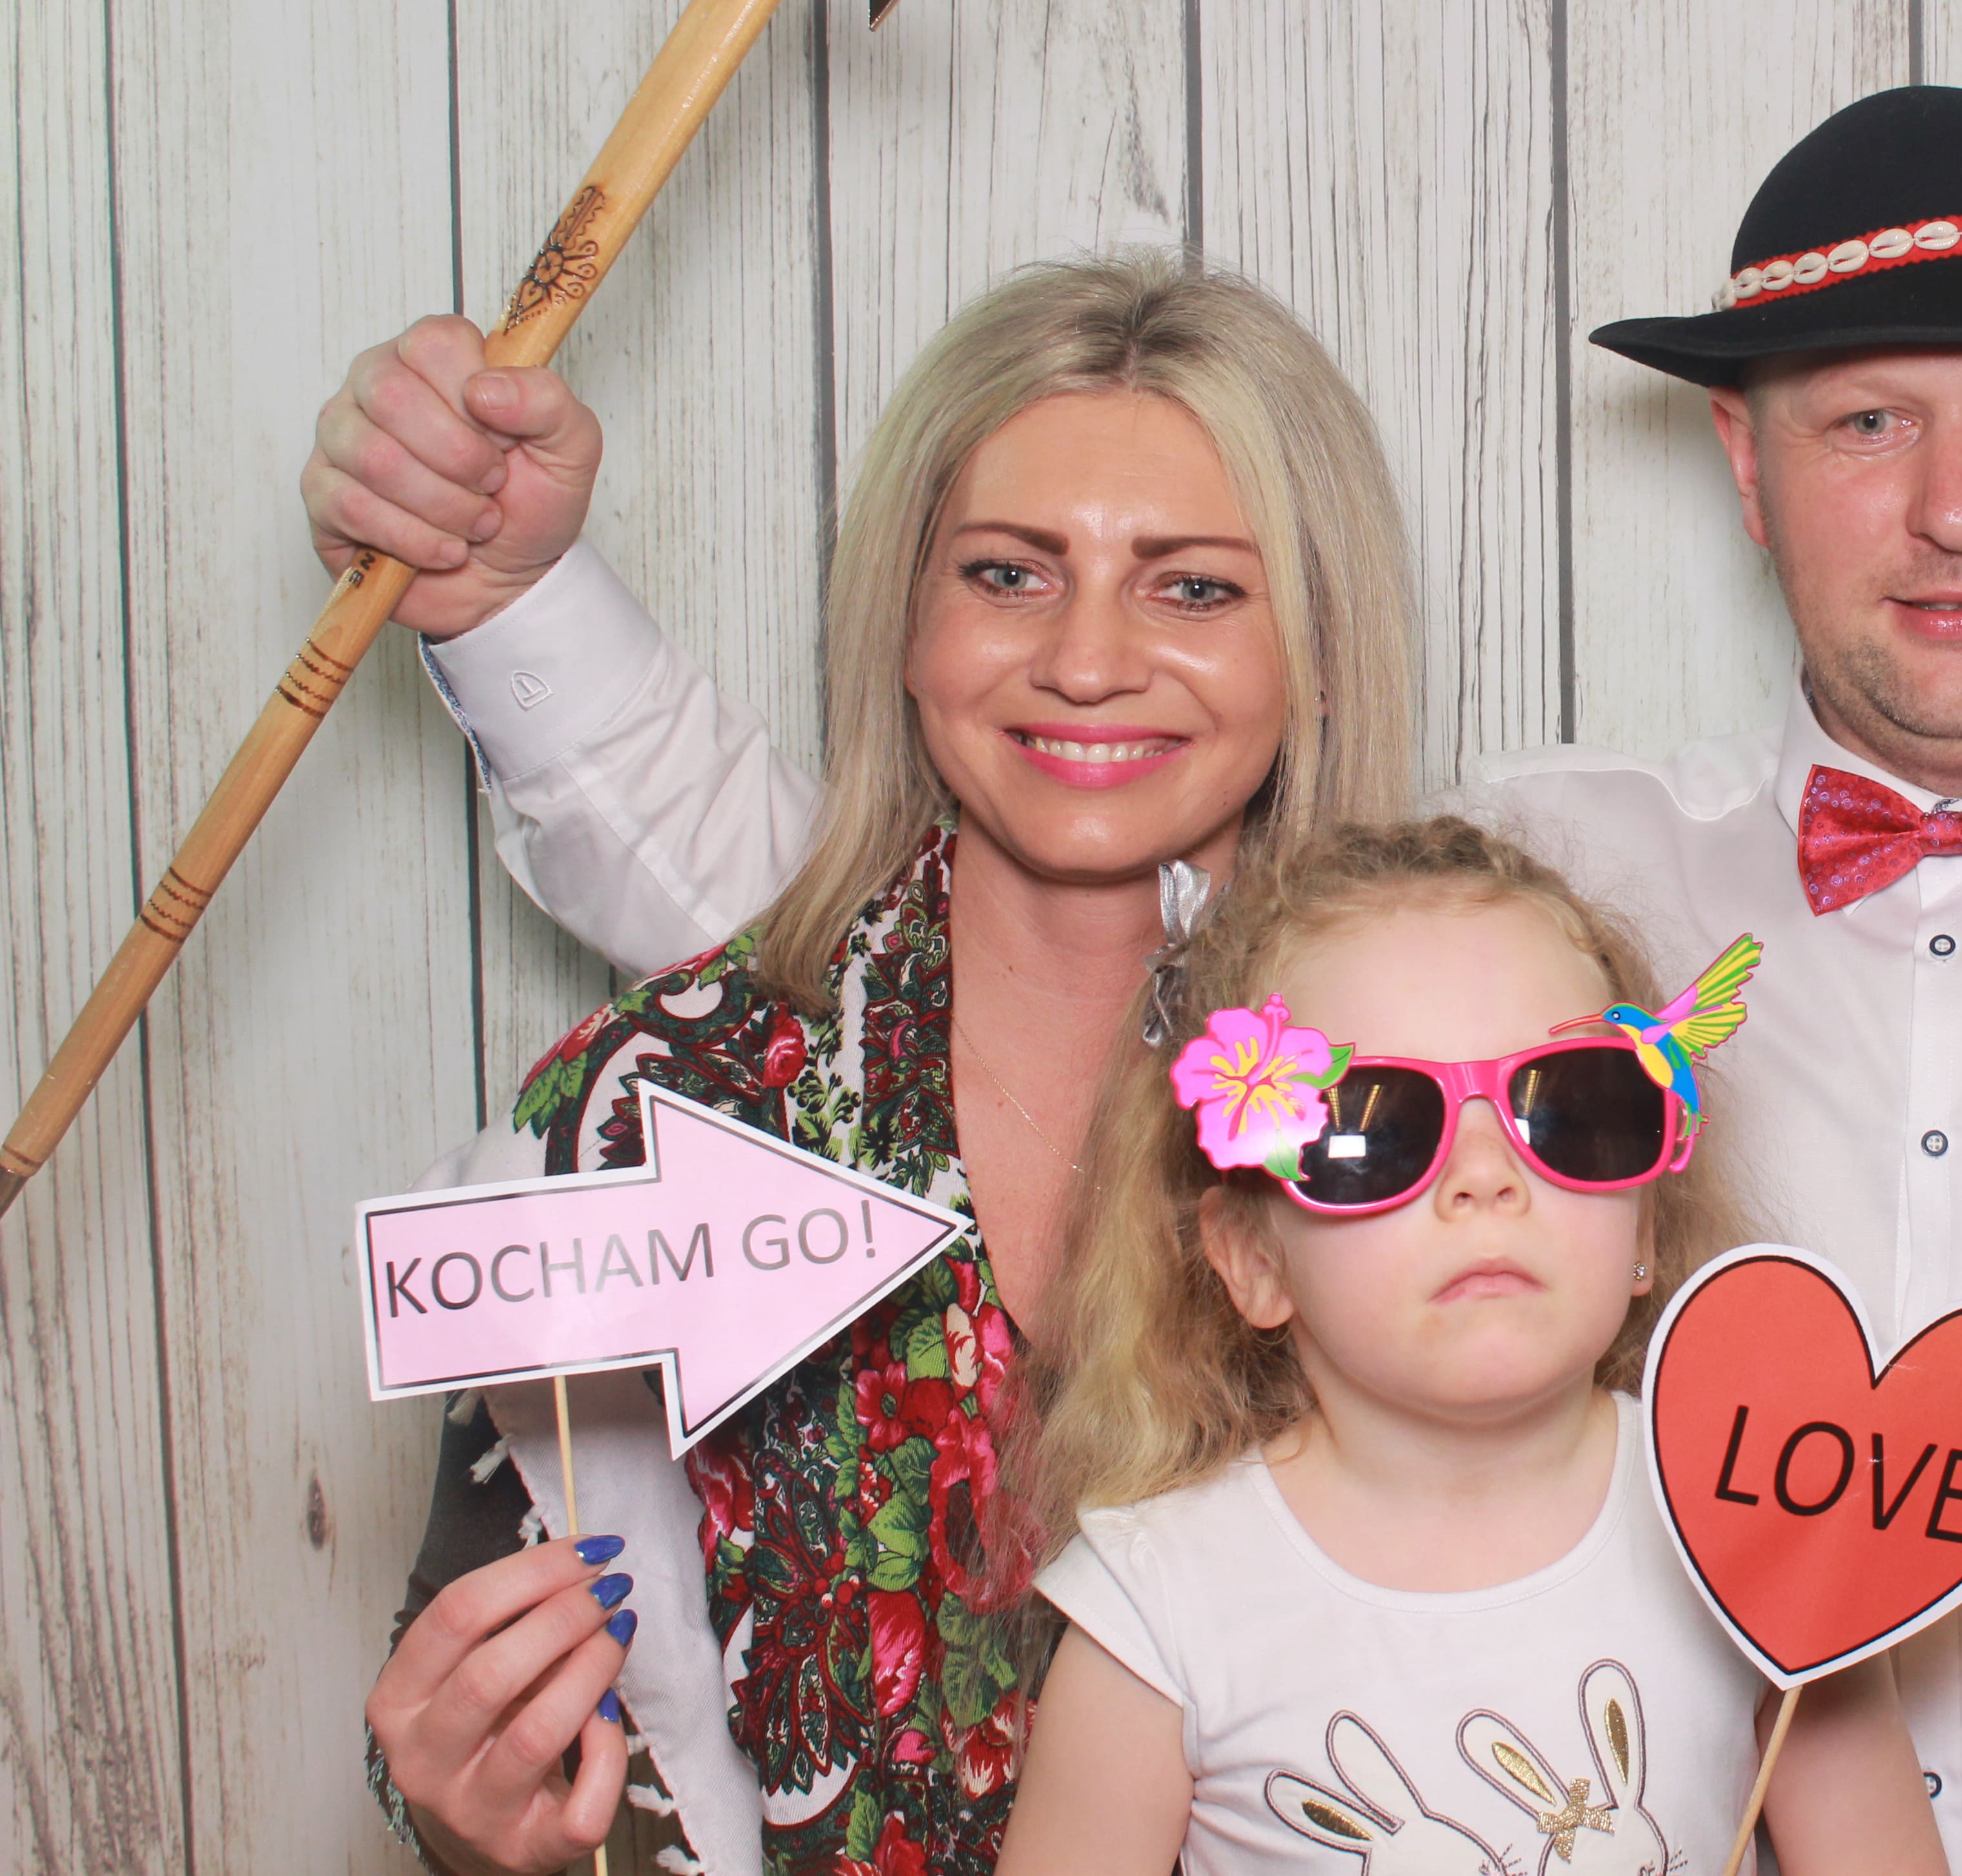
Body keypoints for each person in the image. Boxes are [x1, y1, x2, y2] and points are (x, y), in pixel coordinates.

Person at [311, 88, 1962, 1872]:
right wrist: (521, 605)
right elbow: (978, 893)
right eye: (1867, 423)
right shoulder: (1542, 883)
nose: (1956, 508)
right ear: (1745, 464)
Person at [345, 254, 1419, 1875]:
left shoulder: (1438, 1106)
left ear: (1319, 650)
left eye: (1195, 589)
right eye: (1009, 574)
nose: (1087, 660)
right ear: (908, 623)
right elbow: (507, 1712)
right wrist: (464, 1806)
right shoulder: (663, 1097)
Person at [998, 814, 1945, 1876]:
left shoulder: (1765, 1513)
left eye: (1573, 1110)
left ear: (1643, 1224)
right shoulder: (1161, 1603)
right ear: (1253, 1259)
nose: (1486, 1179)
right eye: (1375, 1130)